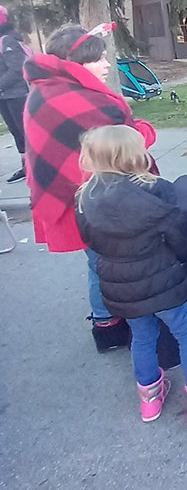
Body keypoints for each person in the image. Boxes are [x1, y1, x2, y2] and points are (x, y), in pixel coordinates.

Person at [75, 125, 187, 428]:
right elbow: (178, 236)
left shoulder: (85, 197)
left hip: (120, 285)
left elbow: (90, 243)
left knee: (141, 335)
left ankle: (150, 398)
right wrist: (179, 259)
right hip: (162, 279)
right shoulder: (157, 189)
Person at [23, 24, 157, 352]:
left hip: (72, 192)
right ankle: (126, 322)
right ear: (78, 63)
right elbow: (130, 144)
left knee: (96, 260)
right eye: (99, 59)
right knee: (111, 260)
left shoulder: (43, 90)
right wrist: (143, 129)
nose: (107, 65)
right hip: (97, 198)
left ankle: (105, 322)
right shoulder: (81, 100)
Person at [0, 6, 29, 183]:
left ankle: (36, 167)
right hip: (5, 95)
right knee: (16, 132)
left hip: (17, 94)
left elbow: (16, 69)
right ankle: (26, 165)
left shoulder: (8, 40)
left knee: (24, 131)